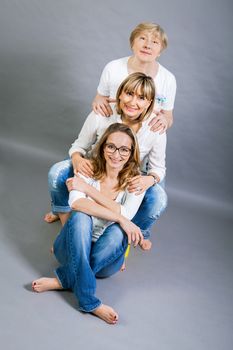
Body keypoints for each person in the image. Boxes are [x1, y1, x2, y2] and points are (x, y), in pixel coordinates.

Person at [32, 123, 145, 324]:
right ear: (102, 147)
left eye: (124, 149)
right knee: (81, 215)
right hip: (69, 249)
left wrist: (89, 190)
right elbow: (77, 202)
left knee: (119, 233)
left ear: (131, 153)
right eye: (111, 147)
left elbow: (126, 212)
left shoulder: (136, 182)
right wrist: (119, 217)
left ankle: (63, 280)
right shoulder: (87, 168)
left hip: (106, 261)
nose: (116, 154)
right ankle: (89, 301)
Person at [44, 72, 167, 251]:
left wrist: (151, 179)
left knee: (159, 199)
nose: (133, 102)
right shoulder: (103, 113)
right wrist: (77, 158)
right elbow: (79, 145)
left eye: (141, 98)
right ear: (120, 94)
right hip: (97, 168)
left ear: (149, 103)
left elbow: (158, 168)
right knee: (57, 173)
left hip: (126, 175)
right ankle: (67, 228)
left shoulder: (155, 127)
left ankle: (125, 238)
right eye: (129, 94)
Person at [92, 21, 176, 134]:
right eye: (142, 38)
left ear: (160, 51)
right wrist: (98, 101)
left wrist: (165, 120)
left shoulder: (168, 79)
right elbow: (99, 98)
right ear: (132, 43)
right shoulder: (113, 67)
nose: (147, 45)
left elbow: (168, 117)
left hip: (144, 140)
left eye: (155, 42)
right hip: (109, 134)